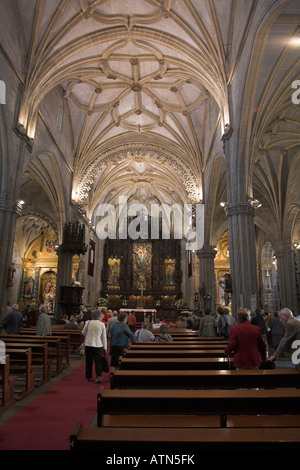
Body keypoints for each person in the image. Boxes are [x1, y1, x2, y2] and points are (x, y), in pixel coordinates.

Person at [82, 309, 107, 383]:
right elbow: (103, 337)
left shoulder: (87, 323)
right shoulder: (101, 324)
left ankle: (88, 376)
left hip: (88, 344)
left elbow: (83, 332)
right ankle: (98, 376)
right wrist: (105, 347)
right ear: (99, 316)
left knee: (88, 361)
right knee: (98, 362)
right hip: (98, 345)